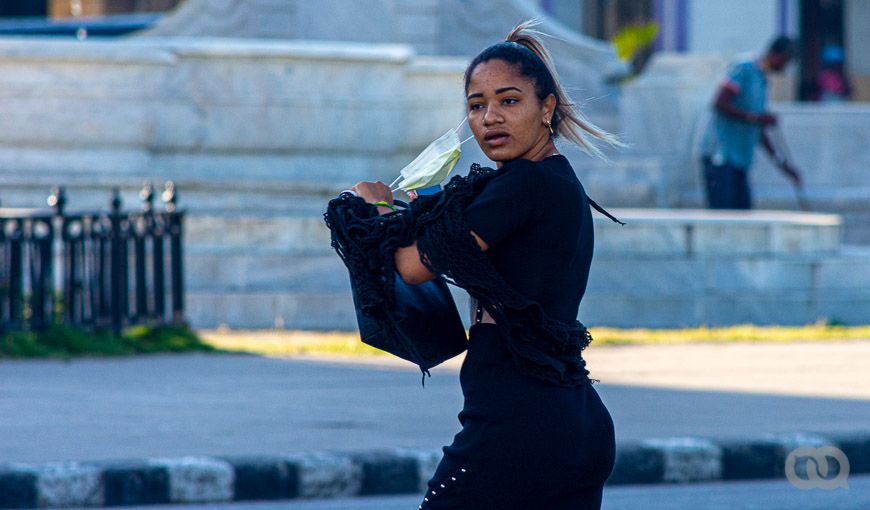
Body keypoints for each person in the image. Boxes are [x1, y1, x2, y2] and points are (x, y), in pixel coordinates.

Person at [345, 20, 622, 509]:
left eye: (509, 101)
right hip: (571, 423)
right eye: (477, 106)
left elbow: (413, 267)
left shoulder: (525, 185)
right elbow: (446, 231)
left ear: (547, 107)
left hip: (518, 427)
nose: (490, 117)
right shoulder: (552, 181)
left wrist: (374, 210)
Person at [700, 35, 802, 209]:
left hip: (739, 161)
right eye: (785, 61)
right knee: (723, 218)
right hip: (721, 157)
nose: (784, 68)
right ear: (777, 55)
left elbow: (759, 132)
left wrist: (784, 165)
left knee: (744, 217)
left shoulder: (762, 80)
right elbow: (719, 103)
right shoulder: (745, 68)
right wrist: (756, 118)